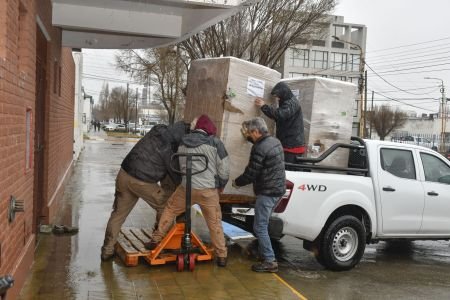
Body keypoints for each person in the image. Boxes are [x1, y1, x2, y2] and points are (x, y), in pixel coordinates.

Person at [146, 115, 230, 267]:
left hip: (186, 188)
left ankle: (156, 239)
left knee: (170, 209)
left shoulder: (183, 142)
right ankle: (222, 255)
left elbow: (180, 165)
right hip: (208, 191)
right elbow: (224, 170)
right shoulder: (216, 143)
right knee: (215, 222)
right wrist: (221, 185)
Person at [100, 121, 189, 261]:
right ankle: (162, 242)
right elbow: (174, 173)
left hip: (124, 174)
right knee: (166, 207)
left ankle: (107, 250)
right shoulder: (171, 146)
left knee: (117, 215)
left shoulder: (157, 131)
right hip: (142, 181)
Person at [232, 117, 285, 273]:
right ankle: (265, 252)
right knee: (263, 223)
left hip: (267, 192)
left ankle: (270, 260)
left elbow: (251, 173)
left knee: (260, 226)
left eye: (250, 133)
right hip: (278, 190)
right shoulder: (275, 142)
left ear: (256, 131)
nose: (249, 136)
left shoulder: (260, 148)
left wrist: (237, 183)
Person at [255, 81, 305, 163]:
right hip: (289, 144)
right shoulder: (288, 102)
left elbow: (280, 115)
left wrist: (264, 106)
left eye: (278, 96)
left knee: (288, 171)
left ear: (283, 93)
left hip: (292, 147)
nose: (277, 99)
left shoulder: (291, 103)